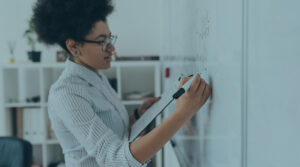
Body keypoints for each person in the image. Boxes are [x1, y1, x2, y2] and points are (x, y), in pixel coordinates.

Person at [31, 0, 212, 166]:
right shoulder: (66, 94)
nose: (112, 48)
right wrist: (181, 114)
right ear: (73, 46)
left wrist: (137, 115)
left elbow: (111, 131)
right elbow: (115, 160)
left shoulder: (97, 77)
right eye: (103, 42)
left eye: (110, 39)